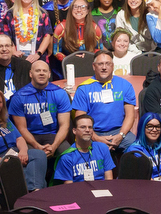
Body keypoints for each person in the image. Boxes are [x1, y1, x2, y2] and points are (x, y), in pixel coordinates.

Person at [10, 61, 74, 191]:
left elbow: (64, 126)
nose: (41, 73)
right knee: (32, 156)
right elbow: (21, 128)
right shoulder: (19, 96)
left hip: (53, 136)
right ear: (30, 74)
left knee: (68, 153)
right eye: (38, 70)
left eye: (44, 71)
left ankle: (66, 190)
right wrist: (37, 146)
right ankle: (35, 191)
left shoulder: (59, 93)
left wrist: (54, 146)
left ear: (49, 74)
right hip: (29, 137)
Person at [52, 115, 118, 183]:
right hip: (79, 191)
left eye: (90, 127)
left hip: (101, 189)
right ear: (74, 131)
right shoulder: (67, 157)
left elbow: (109, 179)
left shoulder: (102, 148)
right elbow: (69, 187)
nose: (87, 130)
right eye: (83, 127)